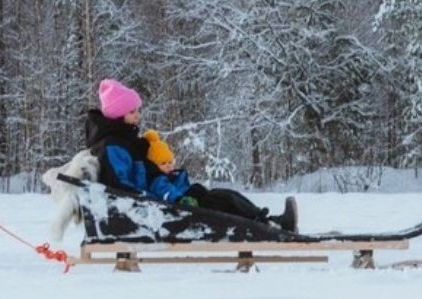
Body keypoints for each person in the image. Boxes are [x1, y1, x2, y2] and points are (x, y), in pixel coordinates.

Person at [85, 78, 297, 231]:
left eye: (137, 110)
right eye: (132, 112)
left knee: (223, 195)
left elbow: (145, 170)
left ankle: (268, 222)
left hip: (167, 192)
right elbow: (120, 185)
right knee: (220, 201)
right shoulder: (113, 146)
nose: (138, 115)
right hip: (159, 204)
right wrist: (157, 200)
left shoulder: (126, 140)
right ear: (118, 114)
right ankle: (267, 226)